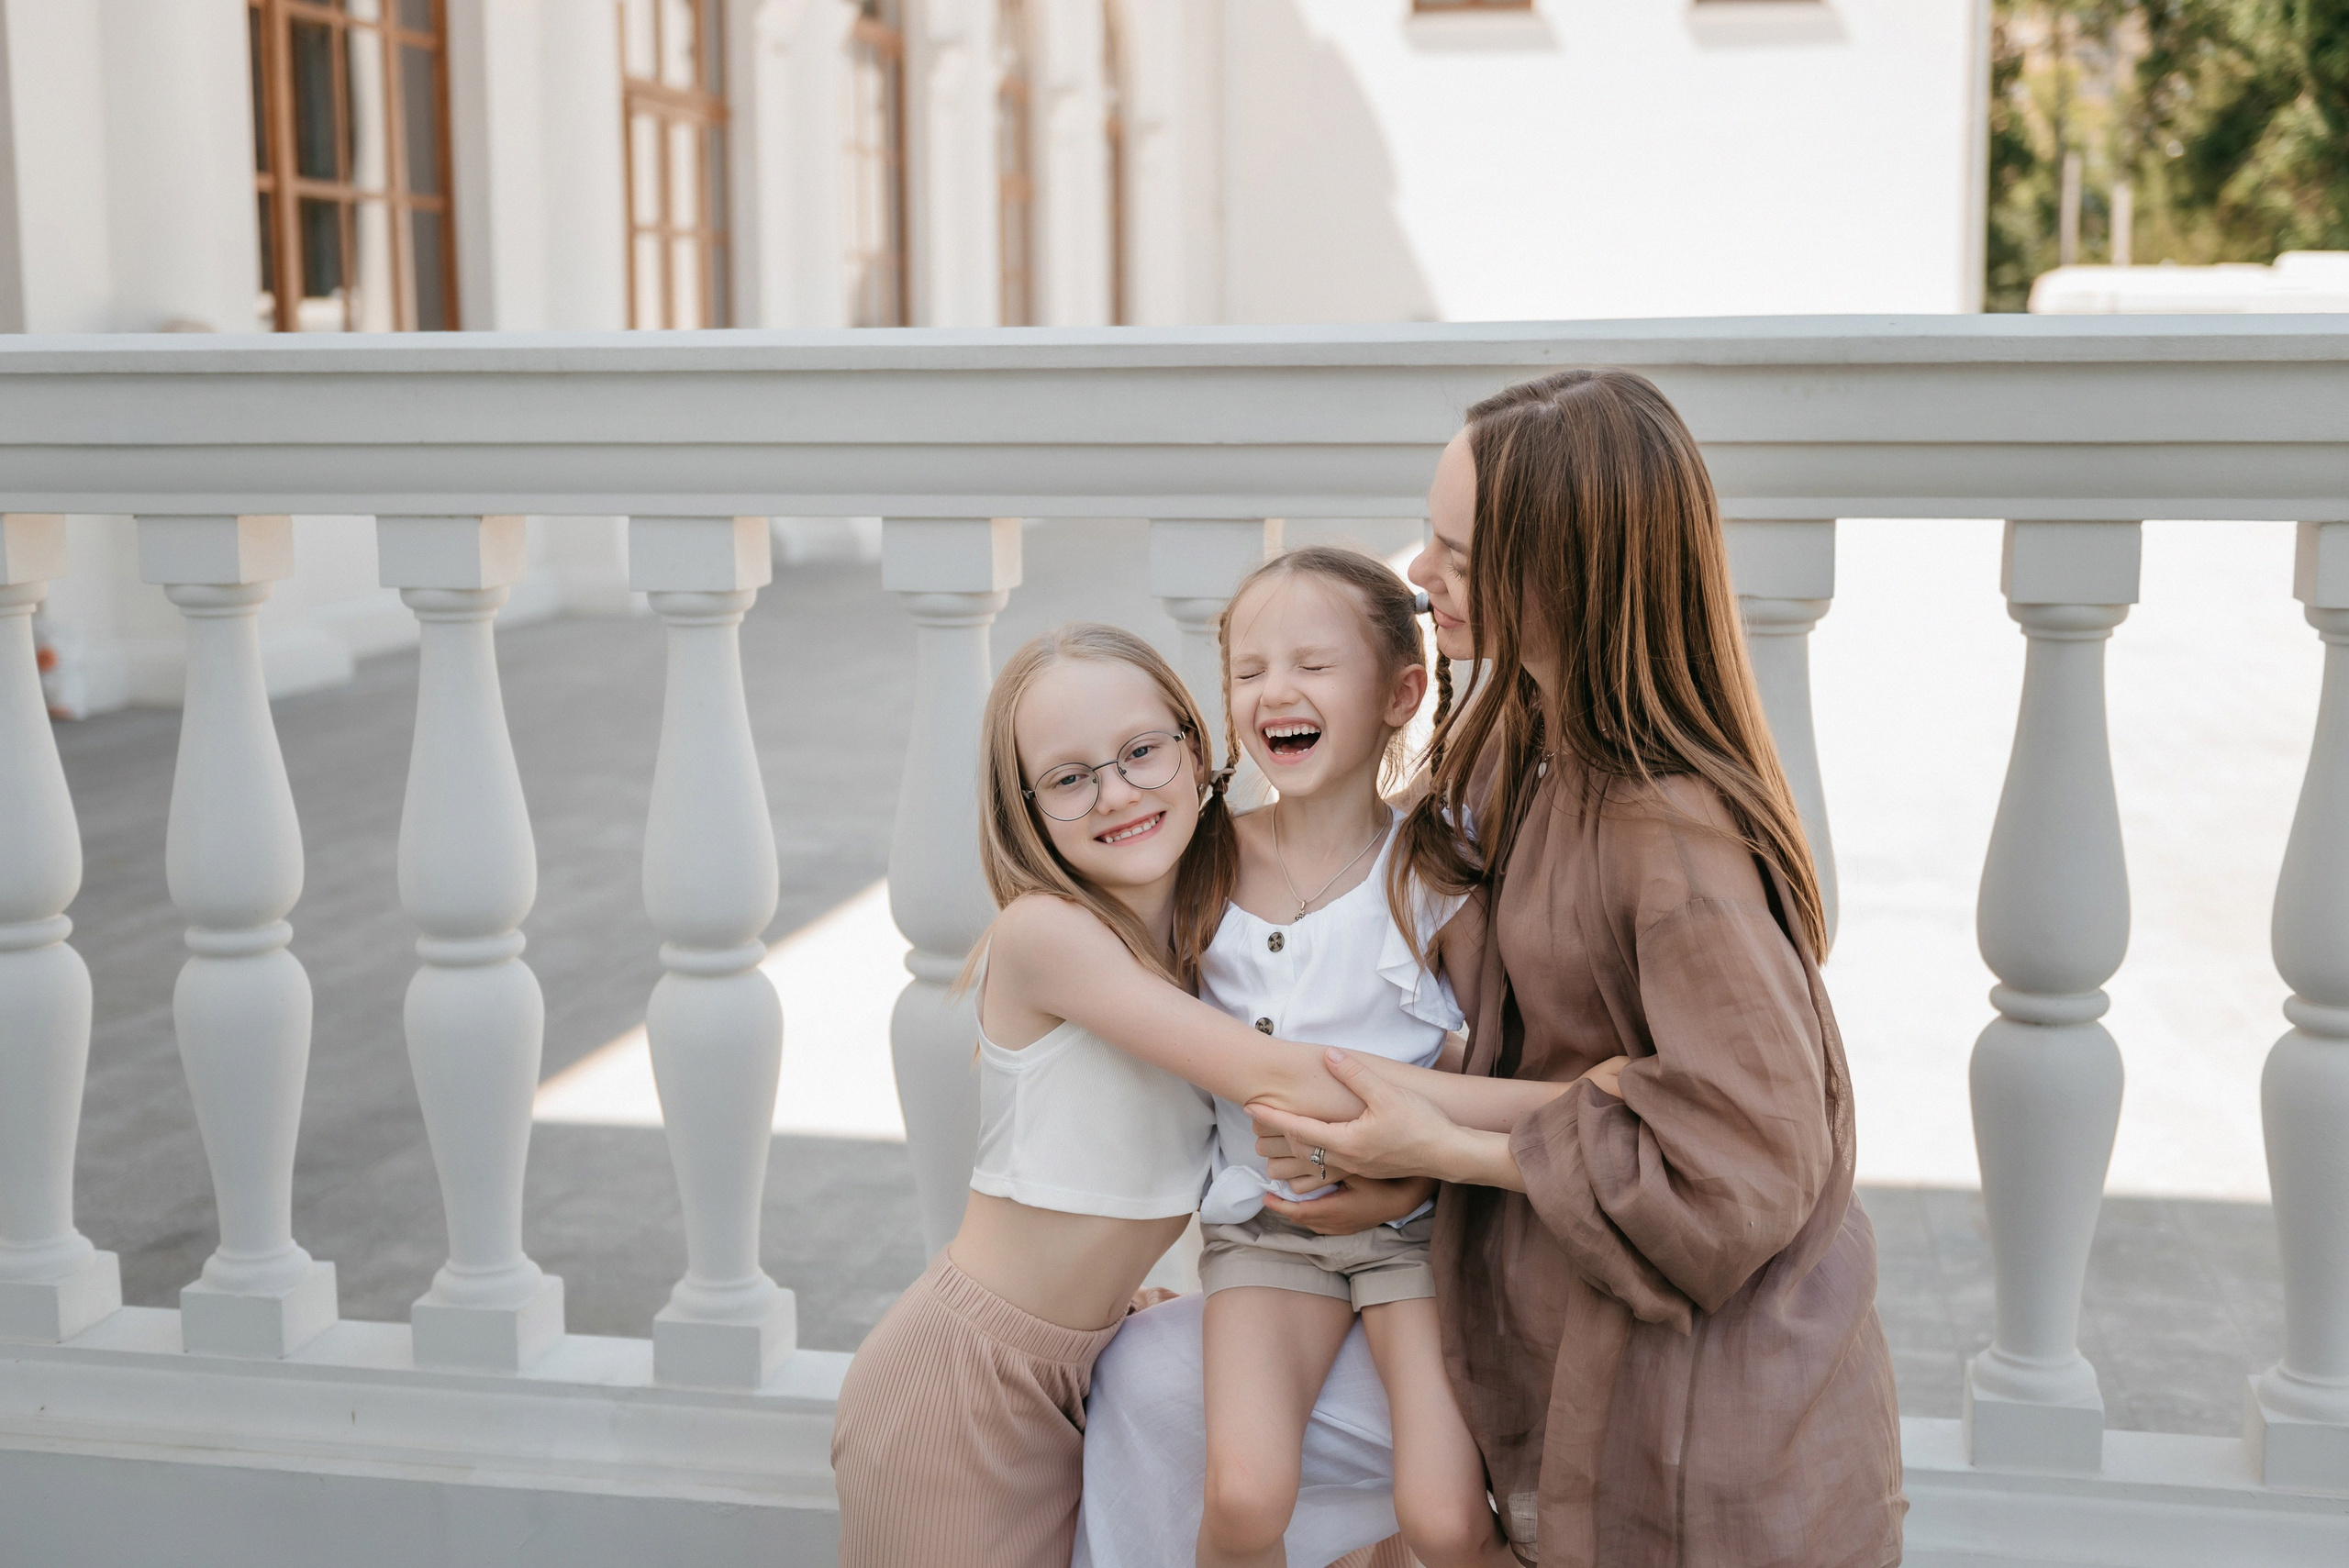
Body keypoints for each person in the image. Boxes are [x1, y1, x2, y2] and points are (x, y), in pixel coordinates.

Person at [1083, 368, 1907, 1568]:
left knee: (1167, 1400)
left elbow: (1750, 1155)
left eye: (1459, 555)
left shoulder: (1670, 835)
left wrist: (1433, 1144)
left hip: (1682, 1406)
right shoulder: (1516, 753)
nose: (1420, 573)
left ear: (1561, 573)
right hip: (1513, 1283)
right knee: (1164, 1385)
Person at [829, 624, 1561, 1568]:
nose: (1118, 792)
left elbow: (1368, 916)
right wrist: (1575, 1101)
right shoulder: (1044, 933)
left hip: (1080, 1358)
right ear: (1024, 811)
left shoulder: (1205, 929)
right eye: (1068, 776)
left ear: (1195, 742)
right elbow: (1293, 1076)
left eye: (1141, 751)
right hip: (961, 1380)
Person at [1189, 547, 1515, 1568]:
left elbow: (1490, 1057)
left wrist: (1410, 1167)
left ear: (1399, 692)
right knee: (1243, 1496)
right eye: (1248, 670)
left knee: (1445, 1520)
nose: (1273, 690)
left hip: (1412, 1237)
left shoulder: (1432, 865)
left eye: (1312, 664)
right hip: (1263, 1237)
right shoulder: (1202, 862)